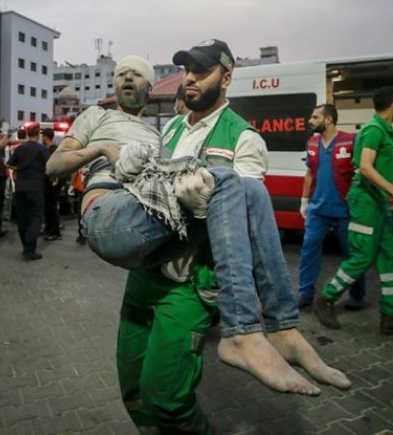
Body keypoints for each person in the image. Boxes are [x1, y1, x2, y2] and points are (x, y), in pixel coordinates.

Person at [47, 47, 350, 433]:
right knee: (134, 387)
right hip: (149, 269)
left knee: (168, 400)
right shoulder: (171, 128)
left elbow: (245, 216)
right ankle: (277, 327)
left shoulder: (243, 137)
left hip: (190, 284)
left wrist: (204, 208)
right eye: (186, 69)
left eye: (202, 71)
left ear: (225, 77)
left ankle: (273, 328)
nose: (190, 77)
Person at [314, 86, 393, 336]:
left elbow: (377, 170)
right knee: (363, 256)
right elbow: (365, 167)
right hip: (366, 203)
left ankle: (390, 315)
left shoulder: (382, 129)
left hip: (378, 203)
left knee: (391, 255)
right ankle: (326, 299)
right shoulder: (375, 130)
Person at [297, 104, 366, 309]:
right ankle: (305, 293)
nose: (310, 121)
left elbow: (361, 171)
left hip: (345, 210)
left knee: (353, 255)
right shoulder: (312, 142)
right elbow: (309, 173)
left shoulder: (350, 140)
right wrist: (304, 200)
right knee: (309, 250)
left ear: (328, 120)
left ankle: (357, 295)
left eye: (315, 117)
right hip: (317, 210)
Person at [8, 124, 49, 260]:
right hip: (36, 186)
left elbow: (9, 164)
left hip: (20, 186)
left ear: (27, 135)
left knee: (23, 218)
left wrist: (19, 169)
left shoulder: (20, 149)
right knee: (36, 217)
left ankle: (25, 245)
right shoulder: (42, 149)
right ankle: (30, 249)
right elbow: (49, 167)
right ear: (38, 135)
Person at [42, 128, 62, 241]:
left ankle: (55, 232)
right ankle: (49, 228)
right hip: (49, 181)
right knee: (48, 206)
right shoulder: (50, 149)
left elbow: (55, 166)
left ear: (45, 136)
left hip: (52, 181)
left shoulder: (53, 150)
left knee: (52, 206)